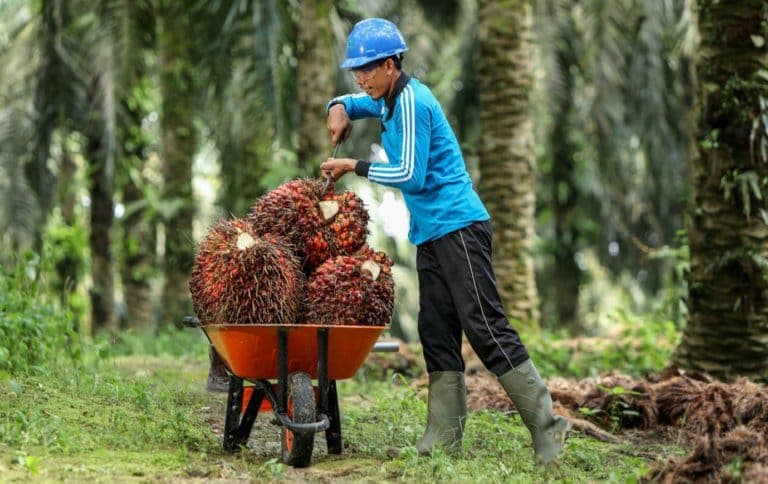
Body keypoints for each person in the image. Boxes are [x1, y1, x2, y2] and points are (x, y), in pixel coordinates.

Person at [320, 18, 570, 464]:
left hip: (459, 227)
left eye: (368, 70)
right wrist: (336, 105)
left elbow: (410, 176)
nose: (361, 78)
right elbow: (353, 104)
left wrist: (351, 166)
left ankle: (549, 428)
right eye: (355, 70)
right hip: (431, 235)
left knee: (486, 328)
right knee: (436, 332)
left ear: (392, 65)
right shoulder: (386, 100)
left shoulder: (412, 101)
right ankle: (443, 441)